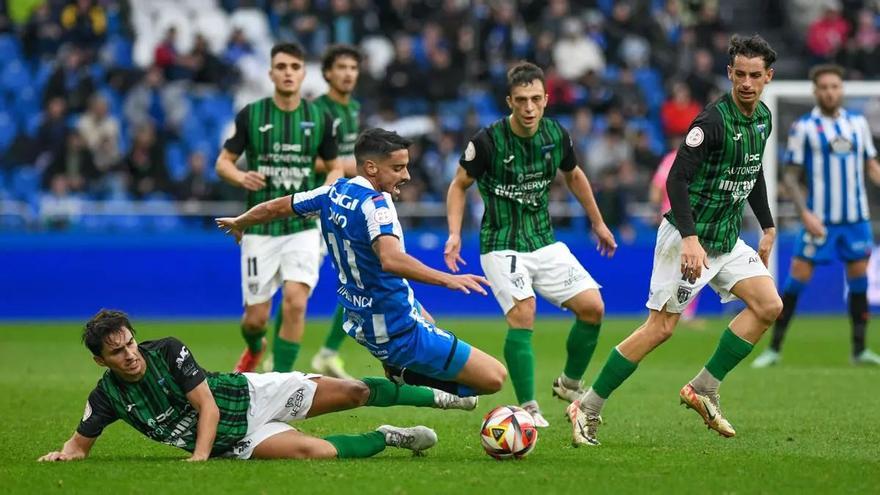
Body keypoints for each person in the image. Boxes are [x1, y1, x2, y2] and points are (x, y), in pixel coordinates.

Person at [567, 34, 783, 446]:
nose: (747, 83)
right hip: (689, 236)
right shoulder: (712, 122)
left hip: (725, 238)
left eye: (756, 76)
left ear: (768, 76)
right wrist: (689, 238)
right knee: (661, 328)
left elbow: (752, 172)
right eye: (740, 74)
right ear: (729, 74)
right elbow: (676, 178)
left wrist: (768, 226)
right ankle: (587, 406)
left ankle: (703, 387)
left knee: (768, 304)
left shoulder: (763, 119)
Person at [217, 128, 507, 398]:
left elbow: (277, 206)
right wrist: (448, 279)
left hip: (360, 317)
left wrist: (242, 221)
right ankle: (417, 383)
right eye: (397, 168)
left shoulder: (332, 191)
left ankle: (400, 371)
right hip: (395, 326)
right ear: (371, 168)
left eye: (405, 166)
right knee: (494, 378)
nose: (406, 175)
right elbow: (391, 259)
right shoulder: (376, 206)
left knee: (427, 319)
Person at [38, 310, 476, 462]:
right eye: (117, 353)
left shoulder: (166, 351)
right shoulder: (107, 396)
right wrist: (66, 454)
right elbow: (80, 444)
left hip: (253, 395)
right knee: (315, 453)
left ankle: (440, 396)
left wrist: (198, 458)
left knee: (355, 392)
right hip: (237, 440)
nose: (130, 354)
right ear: (101, 360)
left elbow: (206, 408)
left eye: (130, 343)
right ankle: (386, 437)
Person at [444, 62, 617, 427]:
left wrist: (598, 222)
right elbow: (459, 185)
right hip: (501, 243)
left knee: (593, 307)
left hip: (543, 240)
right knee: (524, 312)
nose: (528, 107)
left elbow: (574, 176)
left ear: (546, 99)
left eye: (535, 99)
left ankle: (569, 384)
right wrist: (455, 233)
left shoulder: (556, 135)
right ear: (509, 101)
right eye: (521, 100)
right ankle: (528, 407)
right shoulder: (487, 141)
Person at [215, 42, 340, 374]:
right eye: (282, 67)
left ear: (303, 73)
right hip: (260, 228)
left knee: (296, 303)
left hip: (302, 226)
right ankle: (256, 347)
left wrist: (327, 188)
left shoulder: (319, 118)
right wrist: (241, 177)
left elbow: (336, 166)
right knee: (255, 319)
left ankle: (283, 381)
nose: (288, 73)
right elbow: (223, 163)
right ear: (271, 73)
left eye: (295, 67)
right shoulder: (252, 115)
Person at [752, 64, 880, 368]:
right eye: (824, 87)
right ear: (815, 91)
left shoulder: (858, 124)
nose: (830, 92)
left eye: (835, 86)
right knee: (797, 278)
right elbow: (791, 176)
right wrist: (804, 213)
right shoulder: (804, 127)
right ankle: (774, 349)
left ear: (841, 89)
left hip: (855, 219)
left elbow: (871, 165)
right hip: (819, 219)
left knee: (859, 279)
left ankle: (859, 349)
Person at [307, 44, 364, 380]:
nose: (347, 73)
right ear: (327, 72)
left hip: (343, 205)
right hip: (314, 208)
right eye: (341, 67)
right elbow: (304, 155)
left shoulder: (354, 108)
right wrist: (342, 165)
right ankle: (269, 355)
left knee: (358, 276)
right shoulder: (316, 109)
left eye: (353, 68)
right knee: (299, 286)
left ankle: (327, 353)